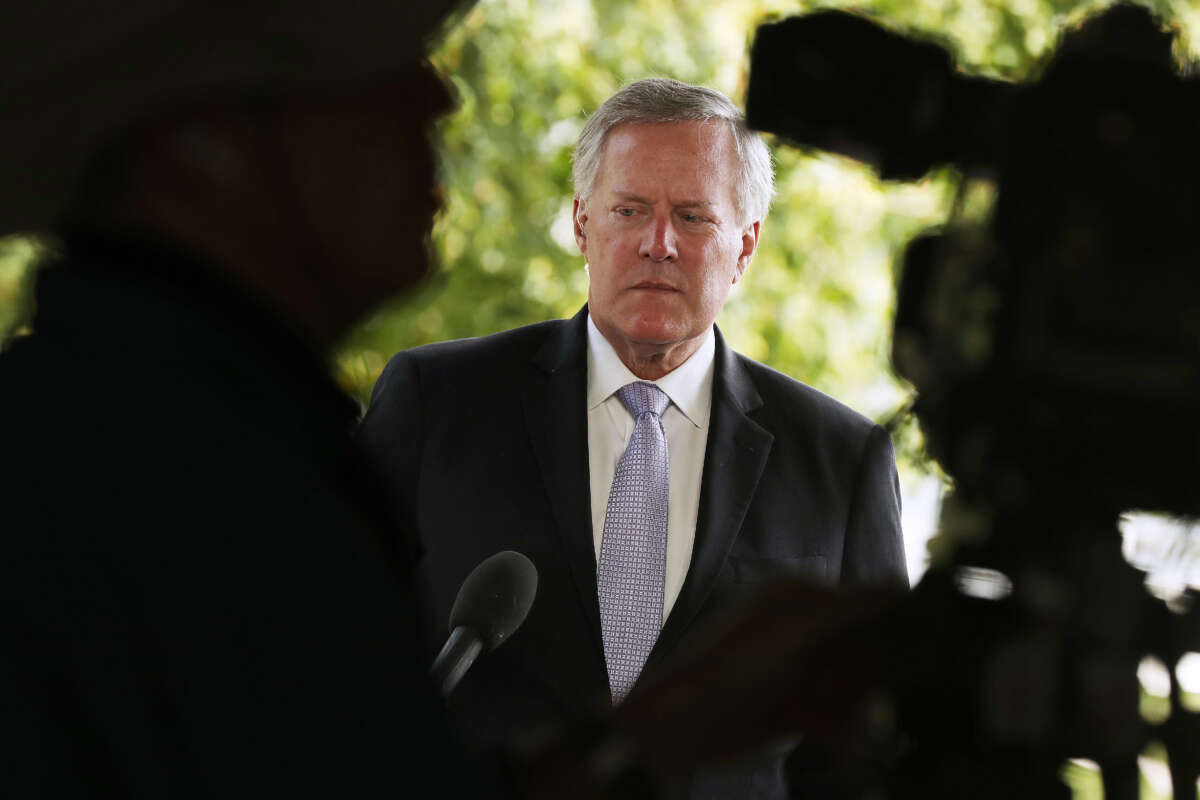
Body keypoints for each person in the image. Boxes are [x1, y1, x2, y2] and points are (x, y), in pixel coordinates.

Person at [0, 2, 504, 796]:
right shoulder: (179, 479)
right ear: (198, 149)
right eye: (358, 67)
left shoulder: (133, 428)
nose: (434, 97)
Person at [358, 77, 908, 799]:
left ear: (744, 248)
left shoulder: (841, 459)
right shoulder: (438, 403)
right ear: (583, 225)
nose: (658, 244)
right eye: (629, 211)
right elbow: (331, 657)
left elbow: (876, 747)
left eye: (692, 217)